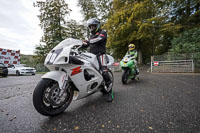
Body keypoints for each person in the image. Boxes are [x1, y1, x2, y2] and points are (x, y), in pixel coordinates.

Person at [82, 18, 113, 102]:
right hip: (91, 56)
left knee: (104, 72)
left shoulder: (103, 32)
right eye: (90, 26)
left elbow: (99, 39)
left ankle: (110, 93)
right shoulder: (91, 36)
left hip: (100, 55)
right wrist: (81, 44)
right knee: (84, 71)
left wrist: (88, 41)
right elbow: (87, 43)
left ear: (98, 25)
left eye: (93, 26)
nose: (92, 28)